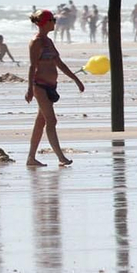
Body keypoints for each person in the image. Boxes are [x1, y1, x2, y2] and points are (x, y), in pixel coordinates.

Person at [25, 9, 84, 167]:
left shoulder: (48, 41)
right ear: (45, 22)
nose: (55, 22)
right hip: (40, 86)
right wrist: (30, 89)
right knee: (51, 120)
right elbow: (32, 66)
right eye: (52, 20)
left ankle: (31, 158)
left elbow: (59, 63)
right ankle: (60, 157)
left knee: (41, 121)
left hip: (51, 86)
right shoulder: (36, 42)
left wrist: (76, 79)